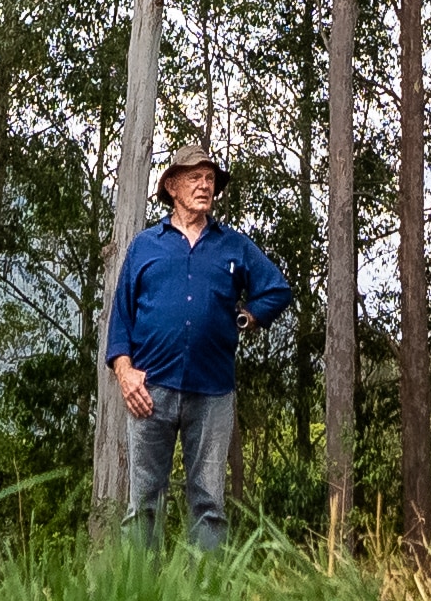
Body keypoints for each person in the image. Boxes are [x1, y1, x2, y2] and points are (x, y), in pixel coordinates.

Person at [104, 139, 291, 547]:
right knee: (144, 502)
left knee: (208, 502)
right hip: (149, 390)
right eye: (195, 178)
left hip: (213, 391)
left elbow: (277, 289)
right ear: (172, 186)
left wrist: (247, 316)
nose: (205, 185)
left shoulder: (233, 245)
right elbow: (120, 317)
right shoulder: (145, 246)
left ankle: (206, 587)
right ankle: (139, 586)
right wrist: (124, 372)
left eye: (209, 178)